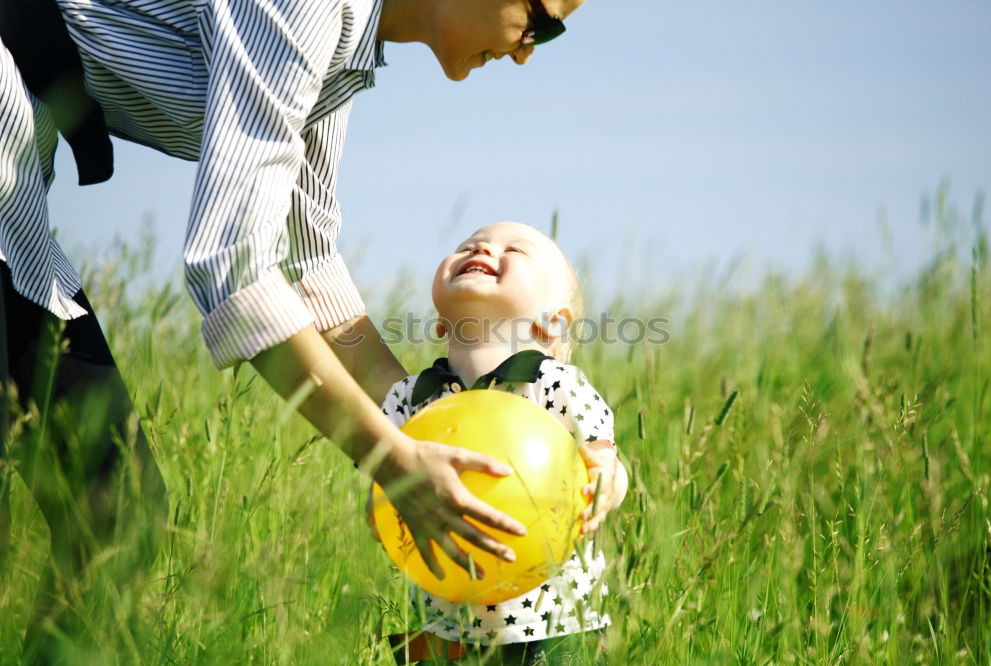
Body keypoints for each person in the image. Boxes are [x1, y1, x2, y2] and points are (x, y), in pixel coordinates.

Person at [0, 0, 586, 661]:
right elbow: (234, 267)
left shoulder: (340, 49)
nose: (527, 50)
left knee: (113, 509)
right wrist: (392, 461)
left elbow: (308, 261)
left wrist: (431, 421)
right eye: (544, 22)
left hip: (14, 194)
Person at [372, 222, 629, 664]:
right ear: (439, 322)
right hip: (443, 622)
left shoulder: (554, 385)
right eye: (468, 246)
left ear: (552, 321)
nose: (481, 248)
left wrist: (607, 484)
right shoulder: (410, 398)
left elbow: (606, 461)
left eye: (514, 249)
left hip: (555, 622)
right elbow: (383, 486)